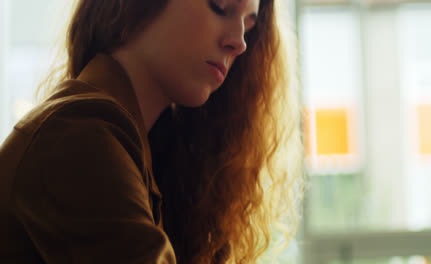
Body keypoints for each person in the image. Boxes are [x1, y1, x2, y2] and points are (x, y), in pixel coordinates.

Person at [0, 0, 302, 263]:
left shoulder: (134, 146)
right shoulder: (77, 135)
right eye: (220, 6)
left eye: (248, 27)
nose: (240, 42)